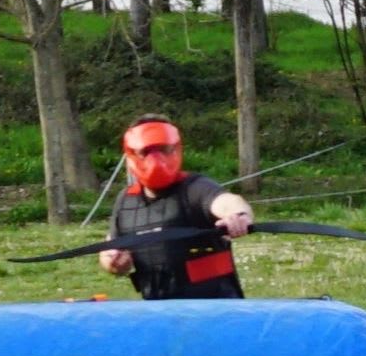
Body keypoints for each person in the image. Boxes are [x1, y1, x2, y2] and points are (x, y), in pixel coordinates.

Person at [99, 115, 253, 301]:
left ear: (176, 150)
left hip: (214, 309)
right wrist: (113, 263)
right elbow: (110, 250)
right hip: (160, 311)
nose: (156, 159)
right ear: (132, 155)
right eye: (146, 152)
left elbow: (228, 201)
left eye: (163, 150)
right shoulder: (126, 201)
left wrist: (238, 216)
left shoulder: (195, 188)